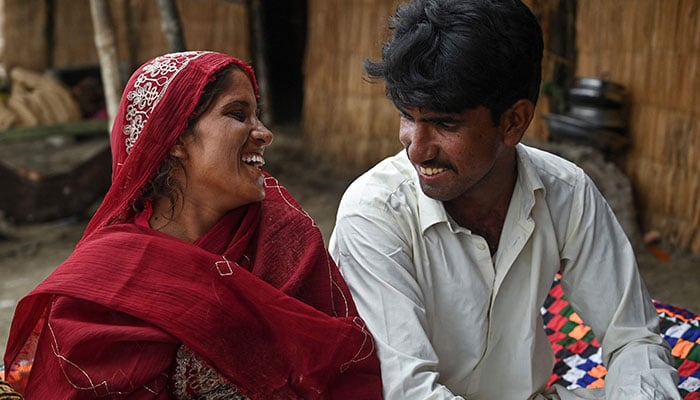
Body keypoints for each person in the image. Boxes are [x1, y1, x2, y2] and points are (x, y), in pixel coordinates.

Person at [329, 1, 681, 399]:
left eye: (445, 124)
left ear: (514, 121)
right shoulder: (372, 215)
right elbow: (409, 390)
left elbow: (633, 338)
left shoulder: (566, 191)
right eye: (407, 116)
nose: (417, 149)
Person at [3, 51, 382, 399]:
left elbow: (346, 369)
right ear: (175, 138)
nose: (265, 133)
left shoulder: (284, 236)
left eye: (258, 114)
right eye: (238, 114)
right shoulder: (103, 278)